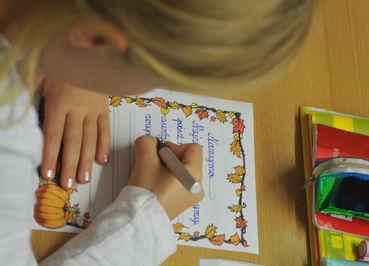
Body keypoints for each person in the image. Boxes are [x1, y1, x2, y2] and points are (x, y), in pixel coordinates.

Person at [0, 0, 314, 265]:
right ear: (96, 37)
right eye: (158, 78)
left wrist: (57, 53)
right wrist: (147, 218)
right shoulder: (8, 136)